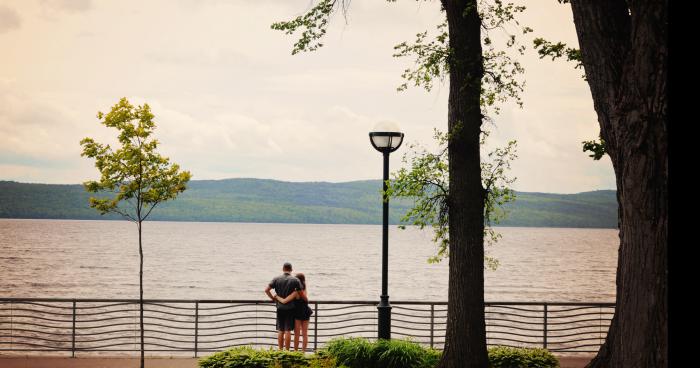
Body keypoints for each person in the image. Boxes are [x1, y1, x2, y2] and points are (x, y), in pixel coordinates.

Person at [264, 262, 301, 350]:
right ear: (291, 270)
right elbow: (299, 295)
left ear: (283, 269)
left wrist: (273, 299)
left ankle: (280, 350)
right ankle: (287, 351)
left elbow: (266, 290)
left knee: (281, 330)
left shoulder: (276, 279)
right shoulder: (295, 280)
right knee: (288, 330)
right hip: (290, 308)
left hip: (280, 307)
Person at [275, 272, 313, 352]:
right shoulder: (304, 289)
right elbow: (306, 299)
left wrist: (276, 296)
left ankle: (296, 352)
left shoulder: (296, 292)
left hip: (297, 312)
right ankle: (303, 352)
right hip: (306, 311)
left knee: (297, 334)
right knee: (305, 334)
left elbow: (285, 301)